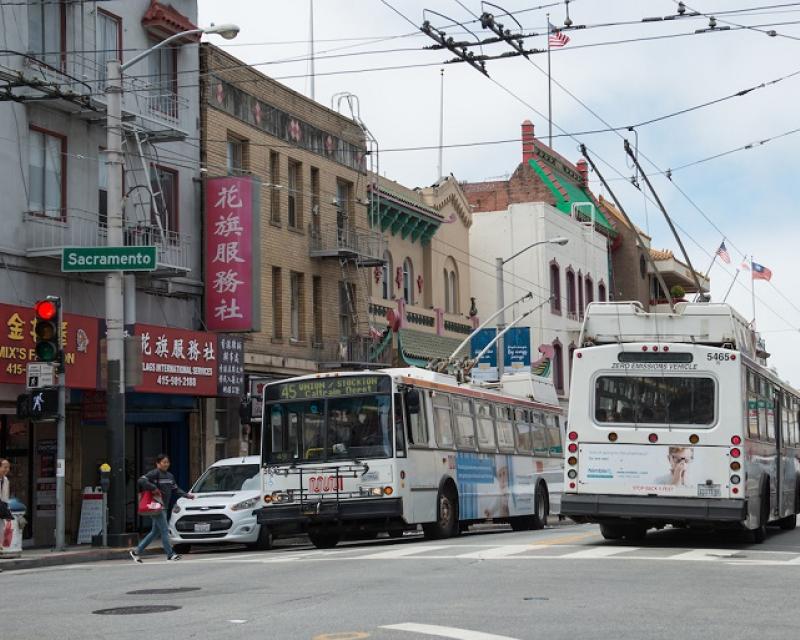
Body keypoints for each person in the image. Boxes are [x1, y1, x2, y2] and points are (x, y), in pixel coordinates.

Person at [130, 454, 194, 563]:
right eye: (163, 462)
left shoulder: (170, 476)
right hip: (156, 506)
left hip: (164, 506)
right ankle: (170, 554)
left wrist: (187, 495)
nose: (166, 464)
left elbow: (176, 489)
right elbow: (141, 480)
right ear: (158, 463)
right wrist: (153, 487)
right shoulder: (154, 473)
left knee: (155, 532)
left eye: (167, 462)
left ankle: (136, 551)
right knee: (164, 530)